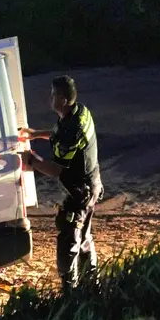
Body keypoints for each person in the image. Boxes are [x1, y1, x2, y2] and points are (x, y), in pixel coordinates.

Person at [20, 75, 104, 290]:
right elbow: (59, 134)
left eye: (54, 95)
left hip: (81, 190)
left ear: (64, 99)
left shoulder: (72, 128)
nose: (50, 98)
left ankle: (70, 292)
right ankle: (92, 287)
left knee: (69, 239)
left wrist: (32, 161)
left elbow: (57, 170)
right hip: (92, 184)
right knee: (84, 236)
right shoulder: (79, 112)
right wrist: (36, 135)